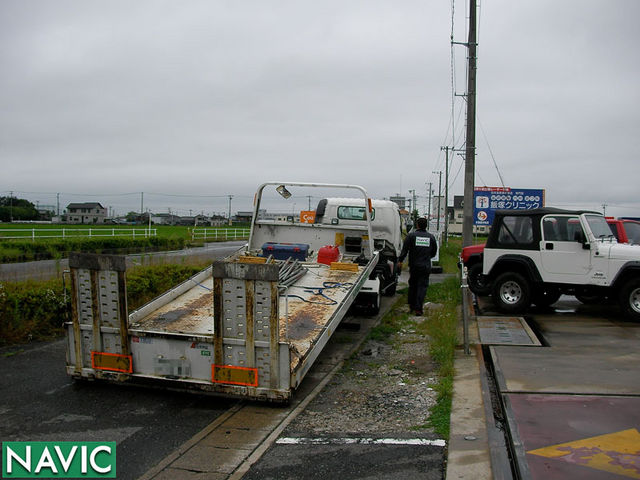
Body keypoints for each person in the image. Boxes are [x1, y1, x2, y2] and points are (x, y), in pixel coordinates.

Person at [397, 217, 438, 315]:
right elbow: (434, 252)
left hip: (414, 266)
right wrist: (426, 257)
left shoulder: (411, 236)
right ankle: (418, 309)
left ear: (417, 225)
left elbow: (405, 249)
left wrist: (400, 260)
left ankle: (411, 306)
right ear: (426, 226)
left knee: (413, 286)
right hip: (425, 266)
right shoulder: (431, 237)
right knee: (422, 287)